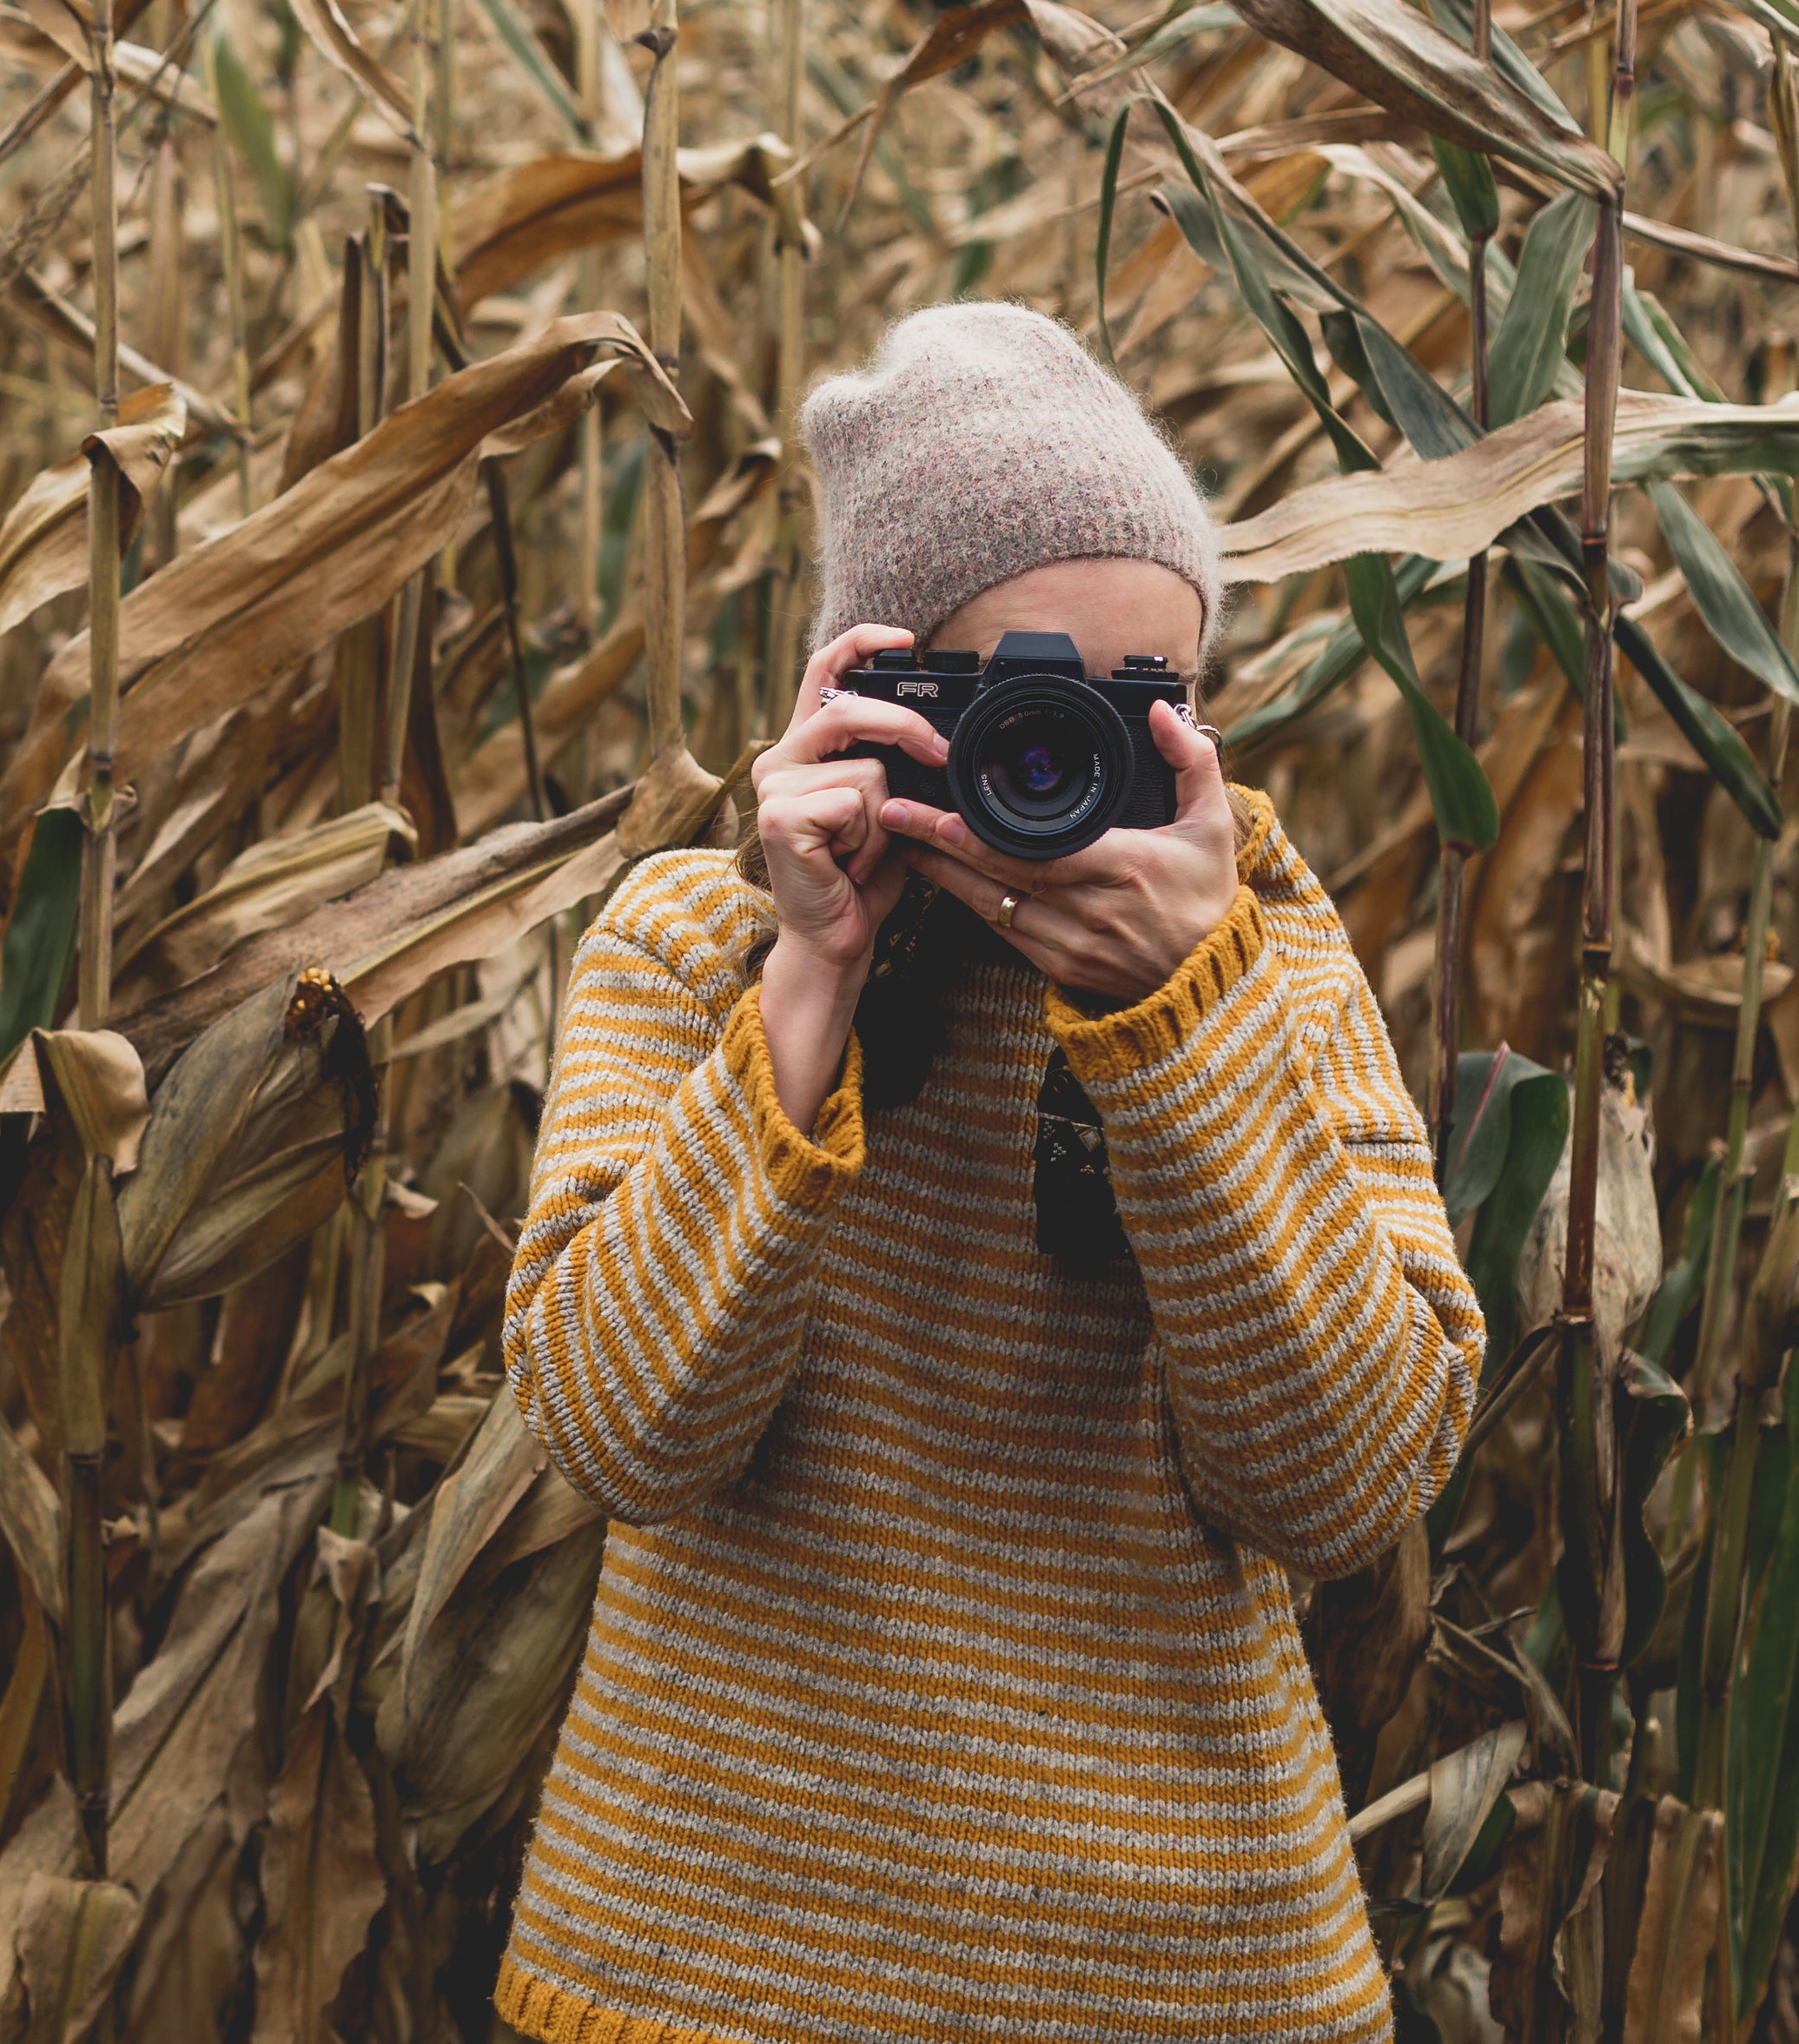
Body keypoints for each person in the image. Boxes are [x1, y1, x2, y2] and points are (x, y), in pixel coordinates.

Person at [492, 303, 1485, 2044]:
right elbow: (617, 1433)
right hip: (709, 1953)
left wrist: (1172, 1029)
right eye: (1022, 706)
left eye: (1138, 703)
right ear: (873, 694)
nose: (1068, 768)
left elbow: (1337, 1490)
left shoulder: (1269, 968)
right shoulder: (692, 949)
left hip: (1181, 1974)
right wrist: (807, 982)